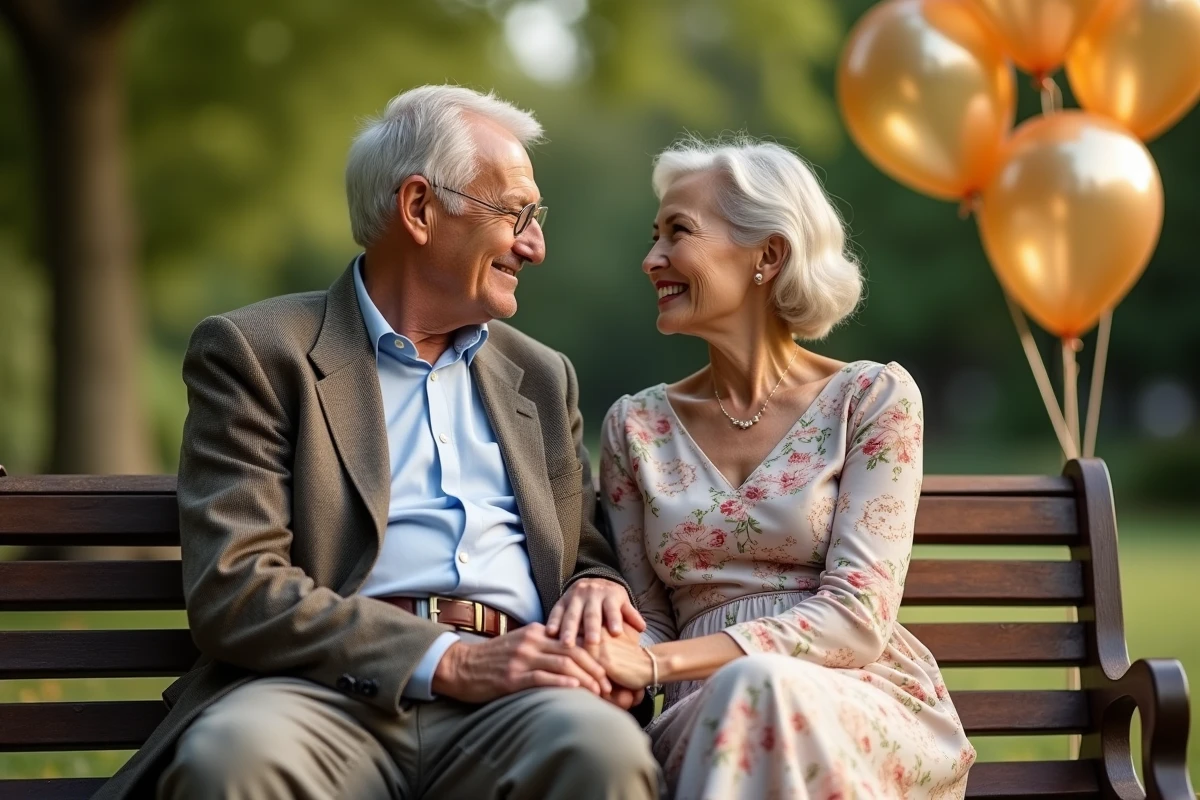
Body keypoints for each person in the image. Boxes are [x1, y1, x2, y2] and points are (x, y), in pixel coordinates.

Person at [95, 85, 660, 800]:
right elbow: (238, 587)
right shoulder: (260, 352)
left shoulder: (541, 376)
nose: (535, 244)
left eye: (535, 219)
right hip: (320, 692)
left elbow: (585, 552)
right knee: (234, 756)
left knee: (600, 750)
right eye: (516, 214)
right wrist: (447, 660)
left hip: (517, 701)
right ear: (420, 208)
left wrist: (597, 587)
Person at [585, 135, 976, 799]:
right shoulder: (634, 426)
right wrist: (603, 644)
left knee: (759, 684)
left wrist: (654, 662)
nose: (652, 259)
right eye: (653, 236)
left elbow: (857, 617)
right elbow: (650, 618)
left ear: (767, 254)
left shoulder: (871, 399)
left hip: (855, 706)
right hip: (700, 718)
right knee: (749, 689)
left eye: (677, 232)